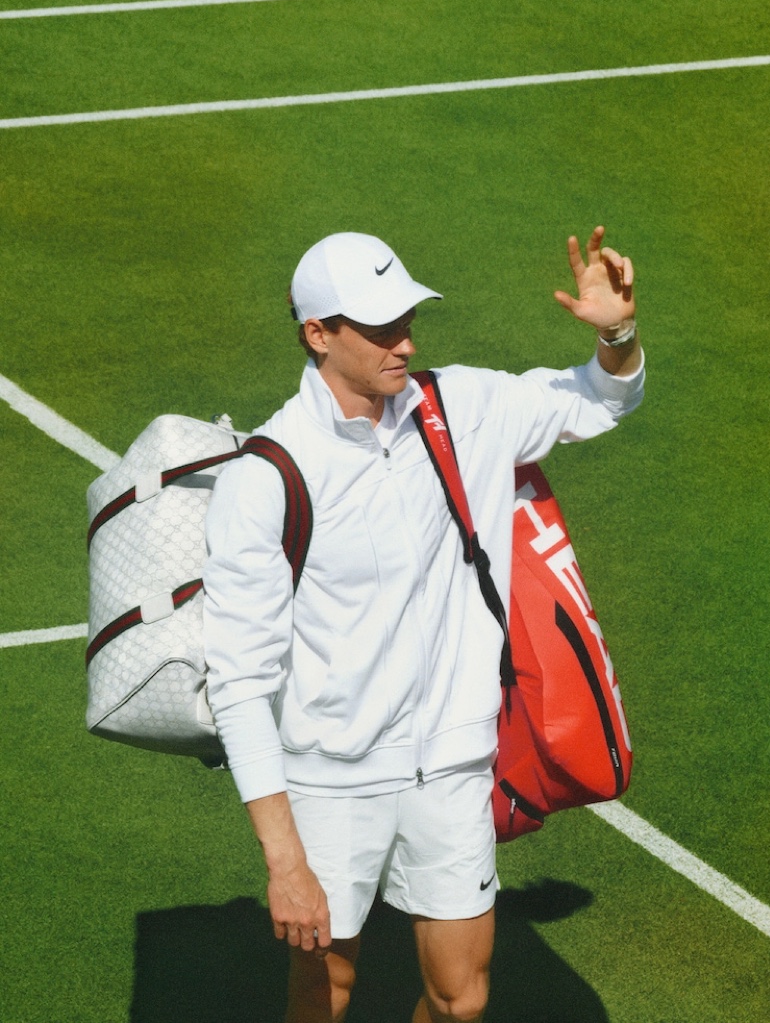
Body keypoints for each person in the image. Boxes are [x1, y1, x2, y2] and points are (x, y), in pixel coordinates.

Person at [202, 226, 644, 1022]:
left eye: (407, 318)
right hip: (332, 774)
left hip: (451, 762)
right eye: (378, 327)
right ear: (318, 335)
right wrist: (283, 858)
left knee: (461, 1000)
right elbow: (238, 680)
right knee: (327, 991)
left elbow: (600, 397)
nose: (404, 341)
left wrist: (616, 333)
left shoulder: (463, 407)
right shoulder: (269, 476)